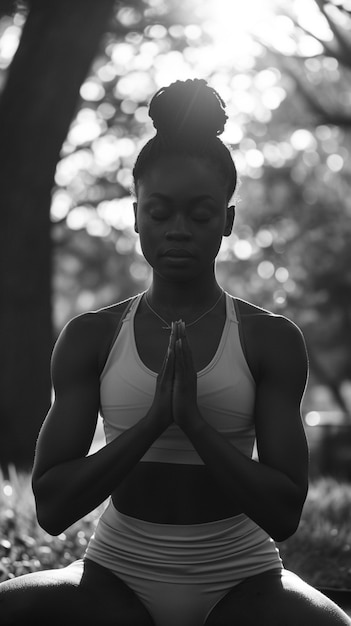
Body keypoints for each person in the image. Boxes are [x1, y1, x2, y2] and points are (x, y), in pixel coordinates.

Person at [0, 78, 349, 626]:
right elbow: (51, 507)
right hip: (116, 572)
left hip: (242, 577)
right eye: (160, 213)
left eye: (201, 215)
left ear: (228, 222)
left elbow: (283, 512)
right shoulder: (92, 336)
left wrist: (194, 423)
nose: (178, 230)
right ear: (136, 214)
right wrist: (152, 423)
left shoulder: (269, 338)